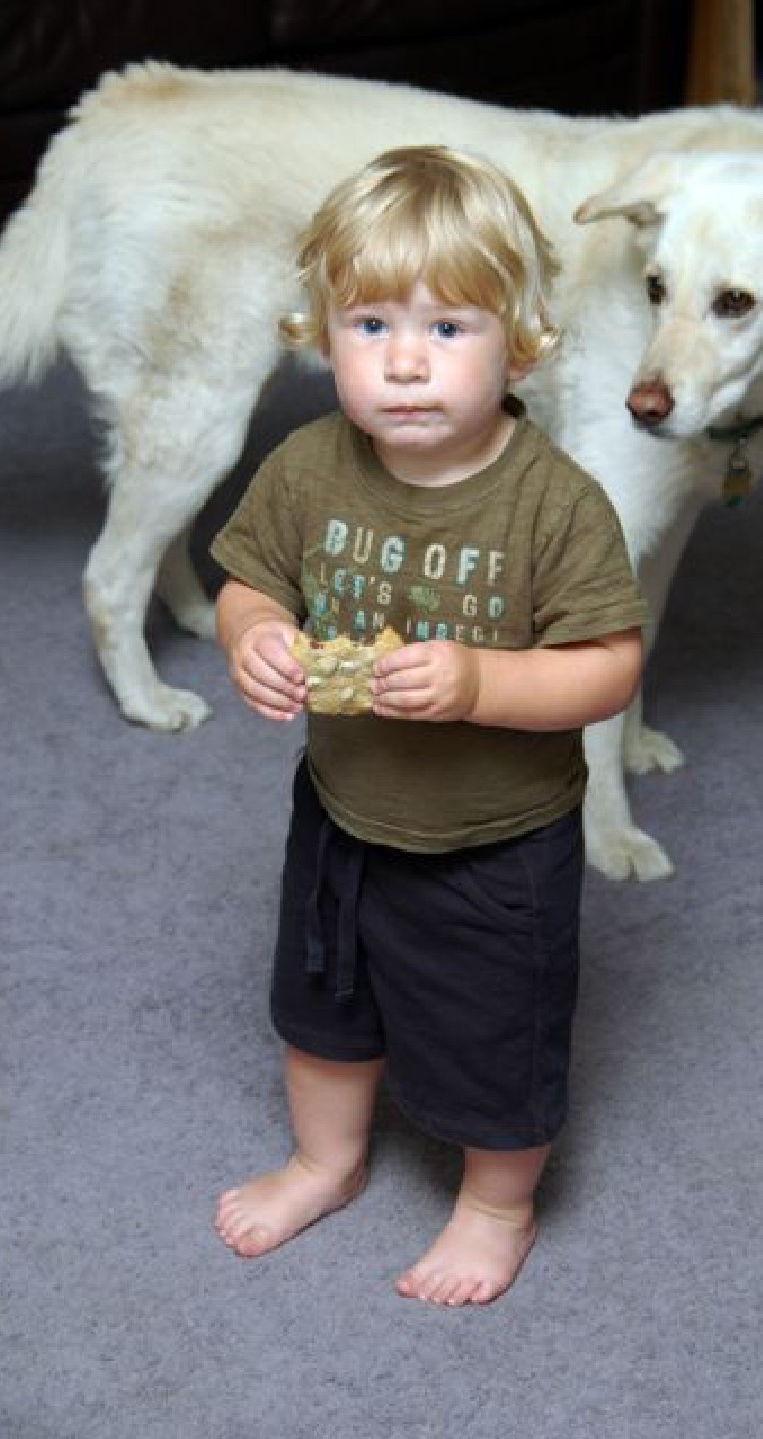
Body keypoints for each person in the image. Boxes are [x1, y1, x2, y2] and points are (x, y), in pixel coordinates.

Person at [209, 144, 647, 1307]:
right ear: (323, 335)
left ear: (522, 344)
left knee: (498, 1034)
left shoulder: (555, 503)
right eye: (370, 325)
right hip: (343, 808)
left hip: (494, 841)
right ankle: (326, 1159)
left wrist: (478, 682)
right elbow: (249, 579)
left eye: (448, 327)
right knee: (321, 1007)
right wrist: (254, 633)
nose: (404, 361)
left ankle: (497, 1204)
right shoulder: (308, 467)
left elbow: (610, 667)